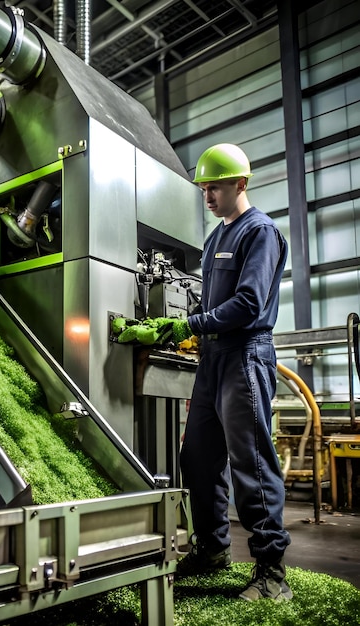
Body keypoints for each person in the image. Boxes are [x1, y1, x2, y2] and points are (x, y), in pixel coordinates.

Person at [177, 143, 292, 602]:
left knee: (252, 465)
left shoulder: (259, 232)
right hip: (213, 360)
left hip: (246, 355)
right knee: (198, 459)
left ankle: (271, 573)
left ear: (240, 184)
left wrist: (189, 324)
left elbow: (247, 305)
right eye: (205, 188)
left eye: (217, 188)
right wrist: (192, 329)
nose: (208, 197)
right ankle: (212, 549)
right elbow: (208, 302)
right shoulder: (214, 239)